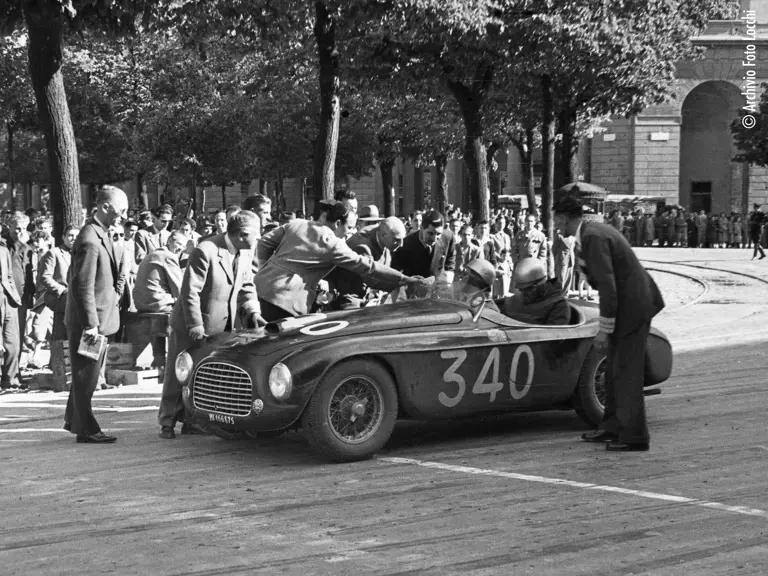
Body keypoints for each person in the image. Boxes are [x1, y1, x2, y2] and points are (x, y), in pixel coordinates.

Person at [555, 194, 665, 452]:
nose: (556, 226)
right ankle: (612, 426)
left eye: (557, 220)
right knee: (616, 369)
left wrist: (604, 330)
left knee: (626, 373)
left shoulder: (592, 237)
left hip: (632, 308)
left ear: (563, 217)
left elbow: (608, 287)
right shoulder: (592, 232)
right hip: (630, 305)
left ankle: (634, 437)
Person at [159, 211, 265, 439]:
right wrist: (195, 325)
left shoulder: (245, 252)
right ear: (242, 234)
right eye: (256, 234)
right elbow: (190, 292)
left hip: (220, 327)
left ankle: (193, 422)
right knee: (179, 372)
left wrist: (254, 311)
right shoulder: (205, 250)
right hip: (191, 322)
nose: (259, 238)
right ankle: (167, 421)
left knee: (203, 375)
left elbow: (247, 285)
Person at [256, 203, 423, 320]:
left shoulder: (296, 224)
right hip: (285, 302)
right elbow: (368, 266)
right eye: (349, 228)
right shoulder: (334, 244)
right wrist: (404, 279)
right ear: (337, 223)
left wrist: (265, 267)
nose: (350, 233)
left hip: (258, 291)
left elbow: (264, 243)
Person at [64, 185, 129, 443]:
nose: (123, 215)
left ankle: (74, 421)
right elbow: (82, 285)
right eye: (120, 210)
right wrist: (91, 325)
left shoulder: (100, 233)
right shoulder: (90, 239)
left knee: (86, 374)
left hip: (97, 319)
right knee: (87, 377)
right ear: (104, 207)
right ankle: (88, 430)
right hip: (89, 323)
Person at [324, 216, 408, 309]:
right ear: (384, 235)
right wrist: (403, 282)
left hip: (367, 294)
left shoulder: (381, 234)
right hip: (348, 296)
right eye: (397, 240)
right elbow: (372, 280)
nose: (401, 244)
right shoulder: (362, 246)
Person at [391, 210, 456, 298]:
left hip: (439, 292)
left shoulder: (448, 237)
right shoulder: (405, 245)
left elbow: (450, 260)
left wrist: (448, 276)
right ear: (421, 228)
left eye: (438, 234)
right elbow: (396, 274)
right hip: (415, 294)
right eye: (430, 233)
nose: (434, 239)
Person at [498, 259, 570, 325]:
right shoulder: (517, 299)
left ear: (540, 284)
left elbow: (553, 336)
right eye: (521, 289)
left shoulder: (558, 306)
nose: (523, 292)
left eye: (527, 289)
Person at [38, 225, 77, 342]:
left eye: (76, 236)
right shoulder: (54, 253)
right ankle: (57, 360)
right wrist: (63, 290)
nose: (73, 239)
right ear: (63, 237)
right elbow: (45, 277)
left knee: (75, 337)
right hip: (62, 300)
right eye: (70, 235)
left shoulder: (83, 254)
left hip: (79, 301)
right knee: (60, 337)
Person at [133, 231, 186, 314]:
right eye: (179, 244)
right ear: (169, 241)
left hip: (140, 304)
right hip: (158, 303)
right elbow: (178, 288)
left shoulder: (153, 254)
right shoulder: (169, 256)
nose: (181, 248)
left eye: (184, 246)